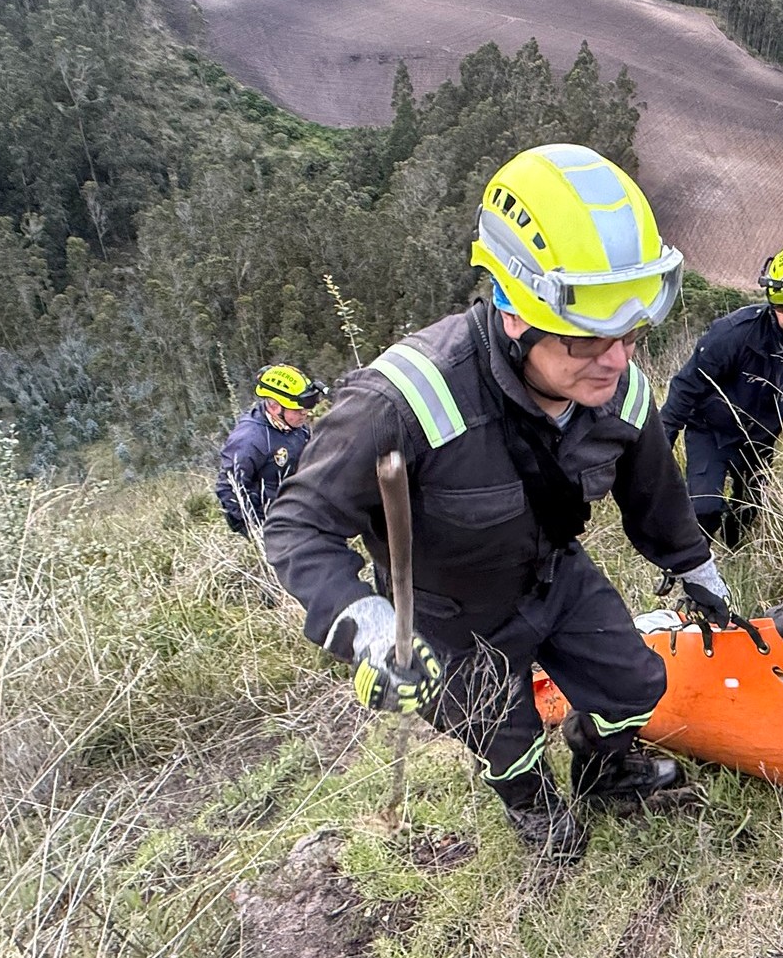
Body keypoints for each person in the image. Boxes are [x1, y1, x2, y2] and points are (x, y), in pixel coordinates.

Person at [263, 144, 742, 863]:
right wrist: (369, 628)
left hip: (553, 576)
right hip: (449, 613)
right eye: (589, 340)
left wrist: (696, 570)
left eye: (630, 335)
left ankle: (603, 769)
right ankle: (534, 806)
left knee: (636, 685)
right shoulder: (404, 401)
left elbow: (655, 496)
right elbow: (299, 526)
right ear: (517, 316)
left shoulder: (619, 392)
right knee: (505, 737)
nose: (617, 362)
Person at [659, 245, 783, 546]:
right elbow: (686, 387)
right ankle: (697, 563)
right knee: (704, 510)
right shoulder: (732, 334)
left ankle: (734, 550)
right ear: (773, 302)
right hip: (711, 431)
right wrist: (657, 451)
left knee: (747, 510)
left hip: (761, 438)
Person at [216, 364, 326, 537]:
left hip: (301, 511)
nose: (305, 413)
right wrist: (261, 529)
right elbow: (229, 488)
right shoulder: (249, 440)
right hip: (274, 524)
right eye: (298, 409)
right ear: (274, 406)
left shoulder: (295, 426)